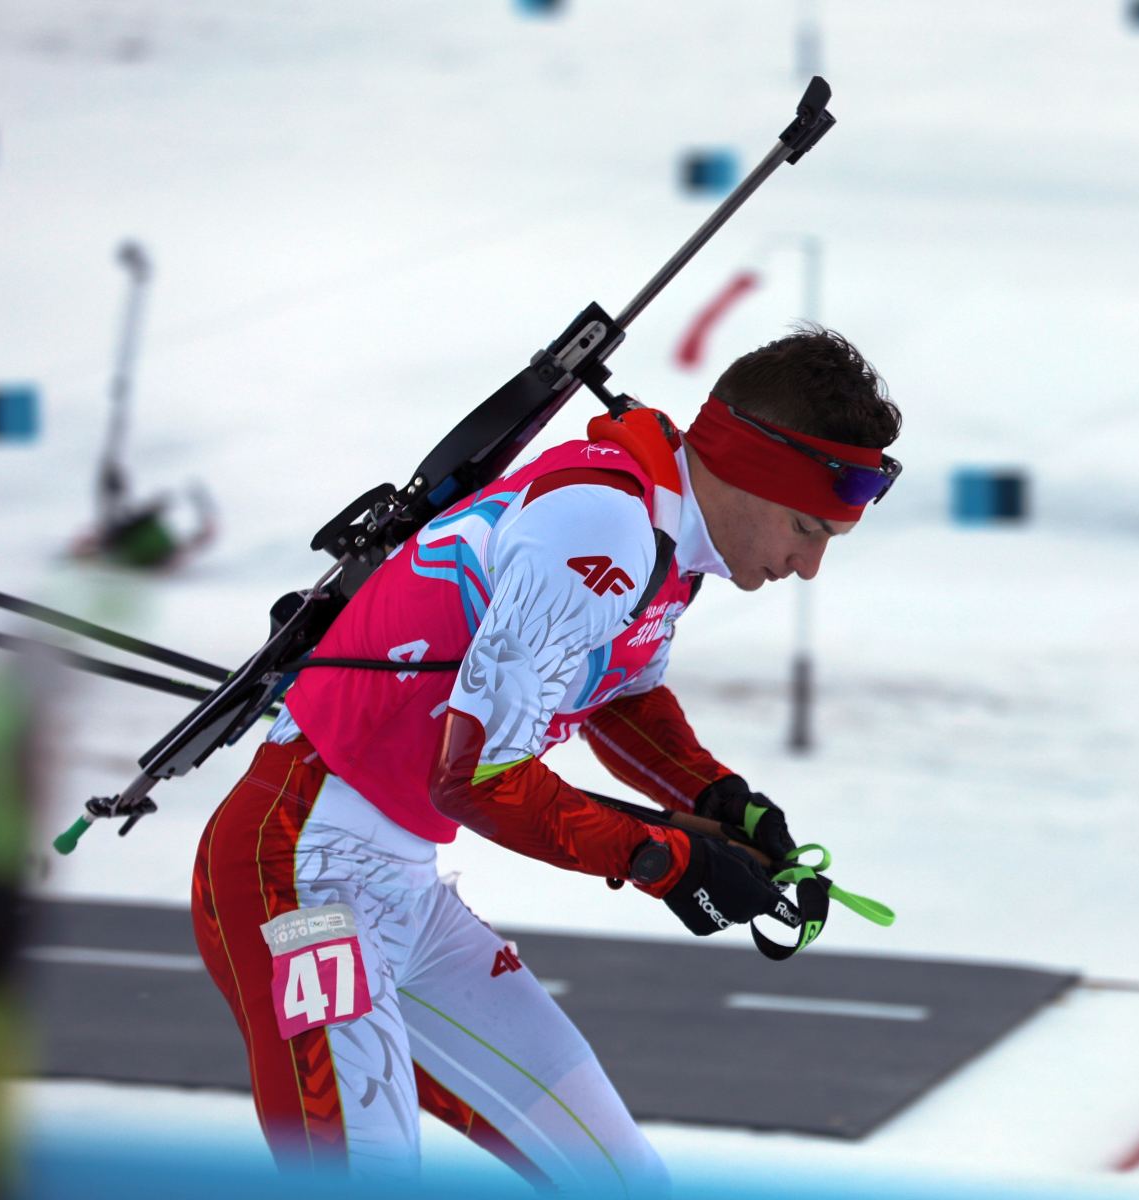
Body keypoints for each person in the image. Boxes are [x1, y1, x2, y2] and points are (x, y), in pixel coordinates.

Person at [189, 326, 902, 1193]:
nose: (810, 565)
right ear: (748, 470)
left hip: (400, 888)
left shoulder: (663, 537)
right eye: (805, 527)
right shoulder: (600, 525)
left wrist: (718, 797)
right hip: (302, 871)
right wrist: (669, 861)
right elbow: (479, 777)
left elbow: (616, 694)